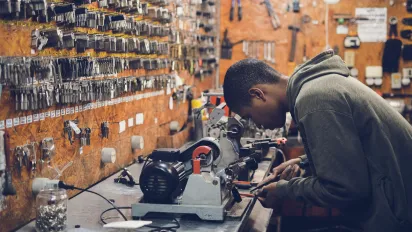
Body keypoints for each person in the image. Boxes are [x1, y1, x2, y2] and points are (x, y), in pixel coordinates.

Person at [222, 50, 412, 232]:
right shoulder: (317, 87)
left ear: (258, 94)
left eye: (249, 116)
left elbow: (345, 189)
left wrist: (284, 191)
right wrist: (304, 162)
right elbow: (351, 149)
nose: (256, 124)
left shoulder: (314, 100)